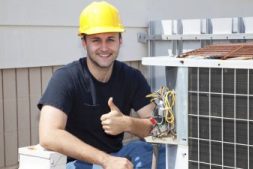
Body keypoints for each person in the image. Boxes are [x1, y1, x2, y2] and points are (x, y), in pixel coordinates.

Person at [38, 1, 165, 169]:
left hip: (118, 157)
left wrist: (127, 123)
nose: (104, 47)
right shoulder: (66, 78)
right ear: (84, 43)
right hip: (78, 163)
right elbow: (48, 135)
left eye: (110, 39)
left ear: (120, 40)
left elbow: (158, 128)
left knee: (167, 155)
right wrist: (105, 160)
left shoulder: (132, 77)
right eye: (96, 40)